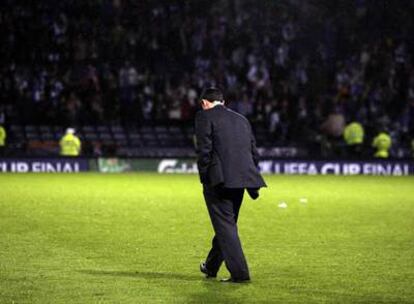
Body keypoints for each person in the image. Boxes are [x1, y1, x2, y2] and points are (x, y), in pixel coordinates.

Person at [195, 87, 266, 283]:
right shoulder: (242, 120)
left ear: (205, 103)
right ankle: (211, 266)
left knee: (226, 226)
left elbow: (204, 151)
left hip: (219, 181)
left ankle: (240, 273)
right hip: (242, 181)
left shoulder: (204, 117)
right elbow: (254, 153)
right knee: (226, 224)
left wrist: (204, 178)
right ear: (223, 102)